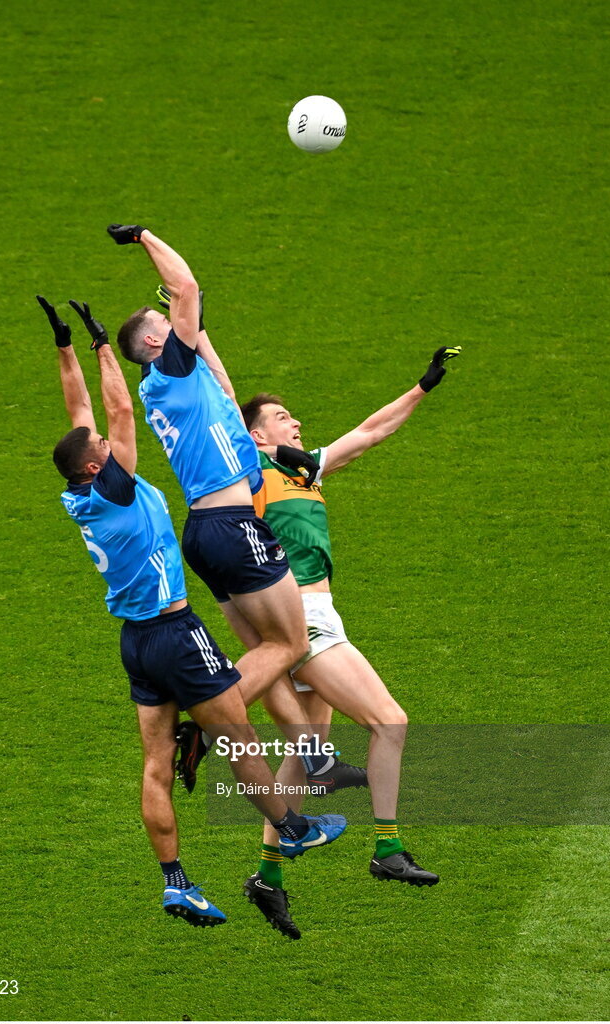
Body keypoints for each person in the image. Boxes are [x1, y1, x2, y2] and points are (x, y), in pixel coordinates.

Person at [37, 294, 346, 930]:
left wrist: (67, 346)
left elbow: (81, 416)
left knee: (155, 767)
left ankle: (176, 882)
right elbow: (117, 410)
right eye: (102, 446)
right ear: (98, 465)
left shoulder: (79, 492)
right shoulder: (115, 482)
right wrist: (102, 343)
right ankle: (290, 828)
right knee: (237, 732)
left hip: (135, 645)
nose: (108, 438)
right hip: (175, 631)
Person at [107, 223, 362, 789]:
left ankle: (313, 758)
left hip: (205, 529)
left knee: (265, 647)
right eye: (165, 326)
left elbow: (222, 383)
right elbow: (188, 285)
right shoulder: (169, 369)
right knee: (290, 643)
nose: (175, 326)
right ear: (154, 344)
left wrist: (200, 332)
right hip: (231, 525)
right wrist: (145, 237)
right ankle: (209, 721)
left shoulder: (174, 382)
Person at [235, 345, 461, 936]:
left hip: (318, 612)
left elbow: (368, 433)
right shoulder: (247, 475)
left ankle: (268, 877)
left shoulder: (301, 467)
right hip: (300, 617)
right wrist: (192, 330)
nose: (297, 422)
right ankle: (387, 849)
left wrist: (422, 387)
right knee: (390, 722)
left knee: (303, 753)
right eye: (283, 417)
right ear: (255, 434)